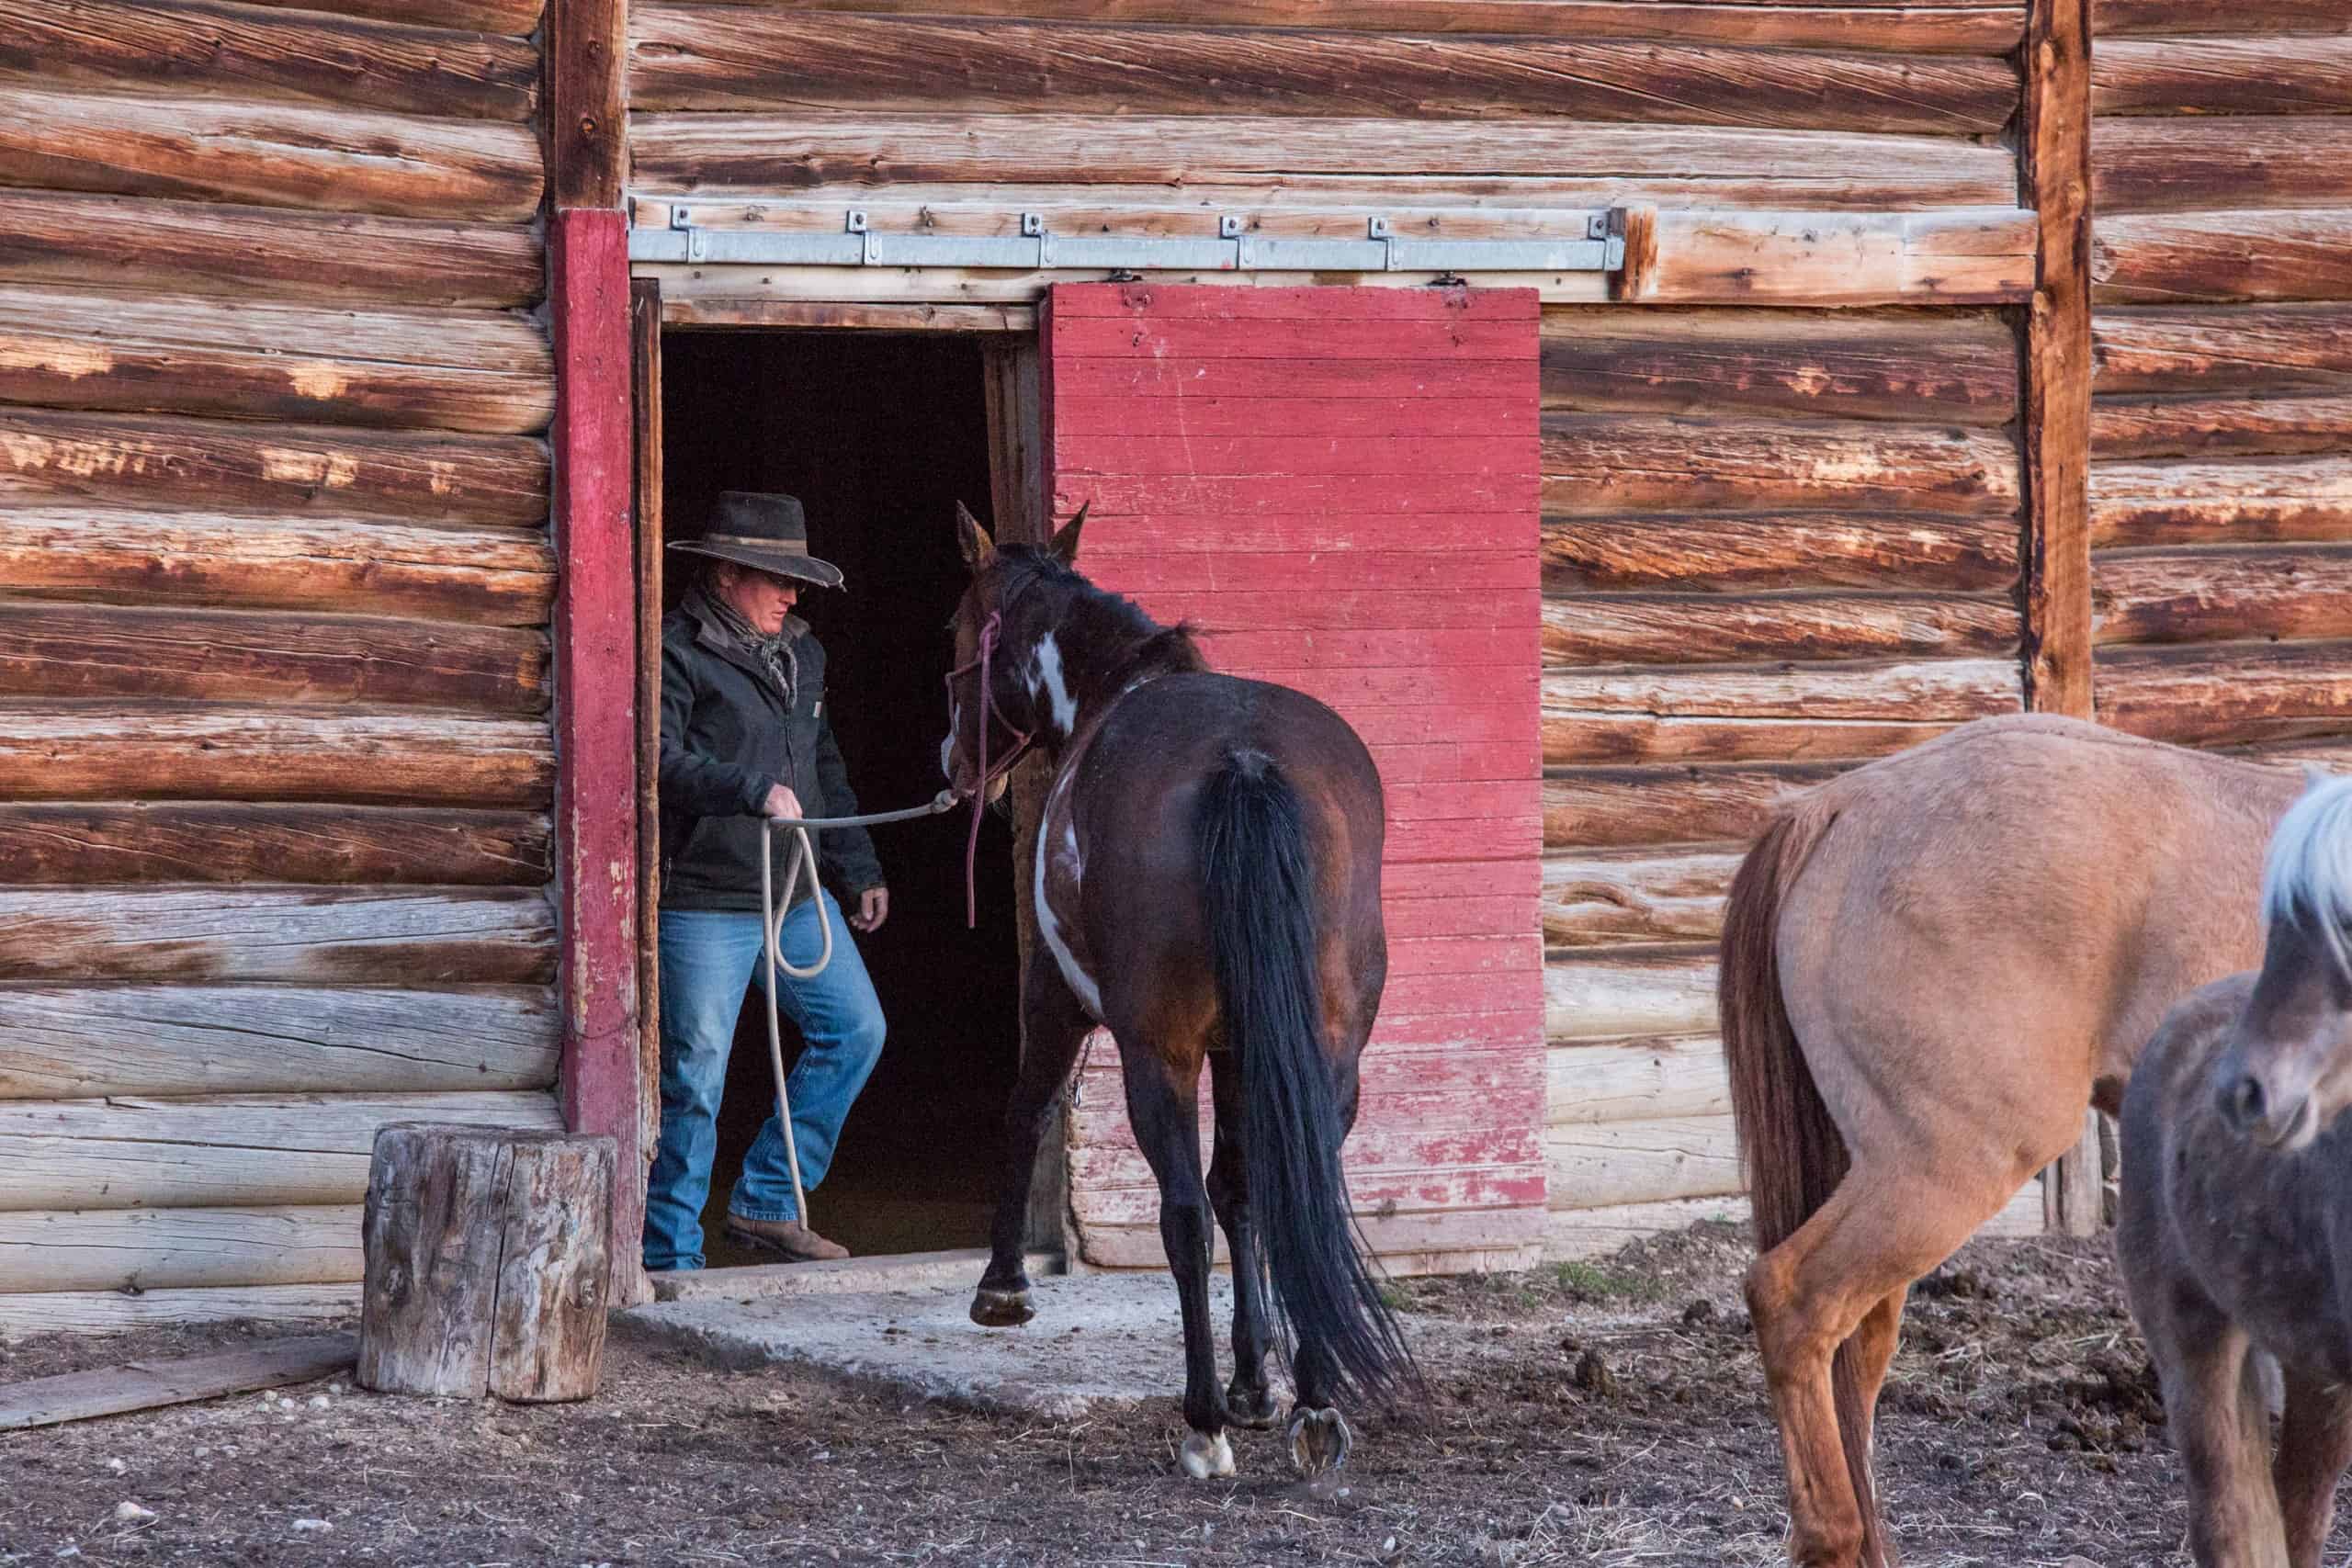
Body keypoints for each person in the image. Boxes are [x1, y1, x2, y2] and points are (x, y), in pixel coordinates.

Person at [644, 491, 890, 1271]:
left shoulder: (802, 655)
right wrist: (748, 790)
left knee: (856, 1030)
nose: (792, 594)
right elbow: (658, 757)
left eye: (796, 581)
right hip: (707, 898)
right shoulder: (674, 652)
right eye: (775, 578)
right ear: (725, 574)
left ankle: (768, 1200)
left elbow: (822, 767)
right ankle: (668, 1255)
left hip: (795, 892)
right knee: (694, 1080)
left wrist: (858, 866)